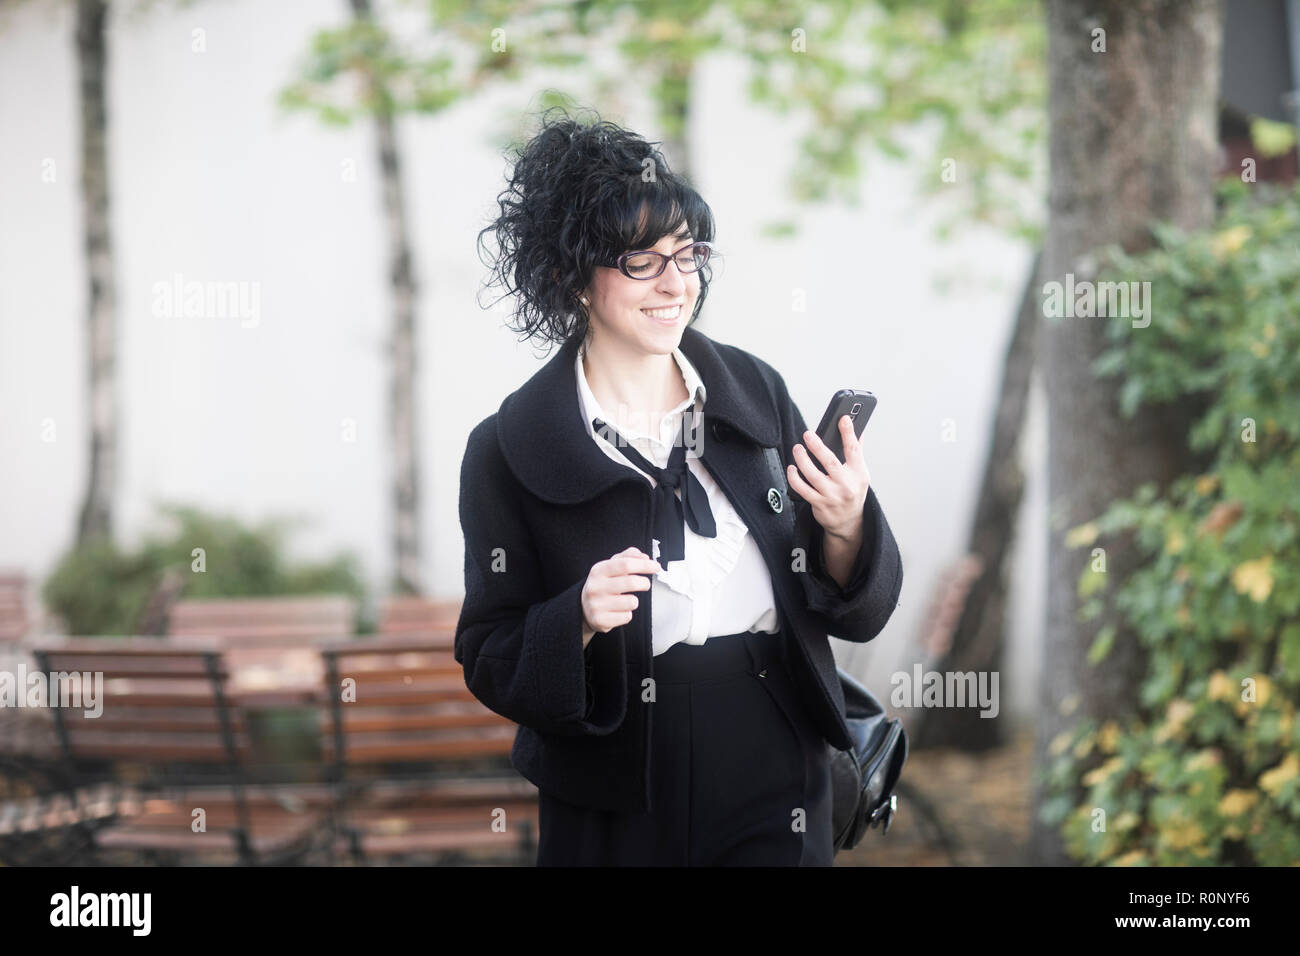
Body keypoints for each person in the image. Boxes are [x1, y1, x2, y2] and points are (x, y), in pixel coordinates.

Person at [456, 106, 903, 866]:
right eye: (641, 260)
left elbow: (851, 607)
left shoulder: (753, 390)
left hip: (772, 738)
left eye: (687, 254)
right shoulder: (508, 448)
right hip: (612, 771)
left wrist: (847, 525)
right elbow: (489, 653)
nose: (675, 283)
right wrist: (578, 620)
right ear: (572, 276)